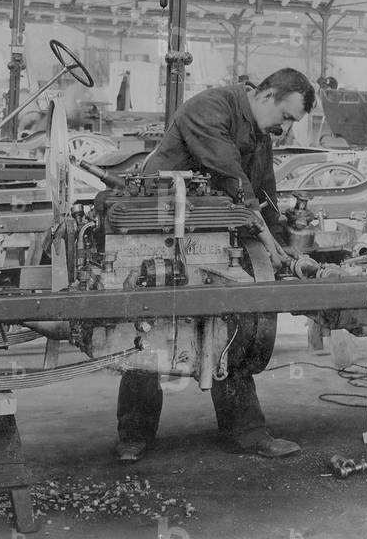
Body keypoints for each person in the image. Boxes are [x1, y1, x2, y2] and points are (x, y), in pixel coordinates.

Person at [115, 68, 316, 462]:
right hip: (158, 229)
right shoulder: (210, 108)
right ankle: (134, 436)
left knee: (234, 325)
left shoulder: (260, 133)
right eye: (286, 116)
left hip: (214, 236)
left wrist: (281, 246)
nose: (285, 128)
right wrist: (266, 240)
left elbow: (264, 193)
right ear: (266, 95)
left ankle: (247, 432)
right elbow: (232, 178)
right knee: (149, 330)